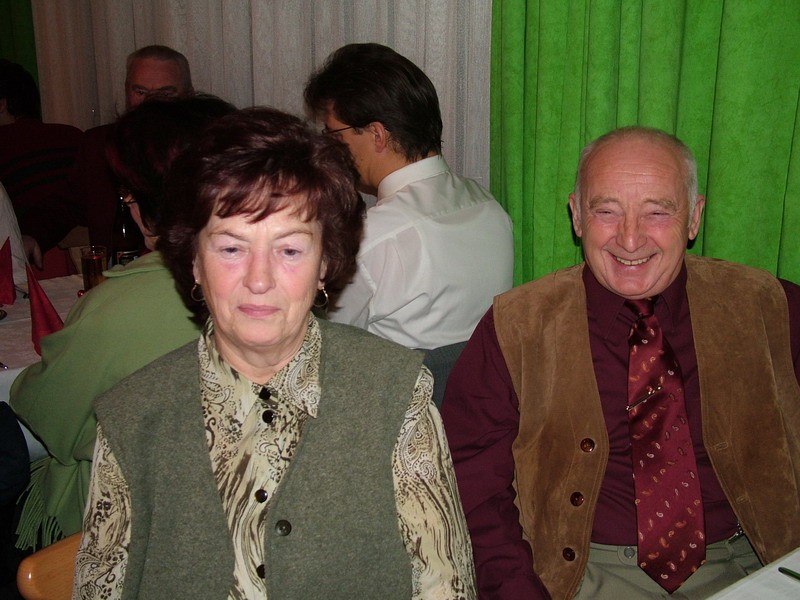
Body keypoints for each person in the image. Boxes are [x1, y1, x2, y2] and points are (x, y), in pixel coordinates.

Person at [73, 108, 477, 599]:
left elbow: (446, 585)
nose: (259, 280)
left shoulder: (395, 393)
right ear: (194, 261)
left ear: (325, 263)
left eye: (289, 250)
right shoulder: (133, 417)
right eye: (231, 249)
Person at [441, 126, 800, 599]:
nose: (630, 239)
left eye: (658, 212)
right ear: (577, 216)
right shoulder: (517, 327)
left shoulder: (769, 308)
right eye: (606, 211)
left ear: (694, 218)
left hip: (754, 562)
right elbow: (470, 483)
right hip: (587, 573)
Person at [9, 95, 235, 550]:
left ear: (156, 200)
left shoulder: (118, 306)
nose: (126, 203)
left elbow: (46, 415)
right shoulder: (285, 285)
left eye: (129, 192)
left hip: (127, 534)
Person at [304, 43, 513, 404]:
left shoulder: (371, 238)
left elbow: (319, 347)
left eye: (333, 135)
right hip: (475, 415)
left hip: (392, 415)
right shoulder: (489, 207)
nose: (328, 148)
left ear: (377, 135)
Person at [19, 45, 194, 266]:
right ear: (126, 91)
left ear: (188, 95)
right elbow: (64, 206)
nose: (150, 103)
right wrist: (30, 234)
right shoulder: (99, 145)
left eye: (165, 94)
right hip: (115, 274)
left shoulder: (204, 149)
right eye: (140, 92)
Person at [0, 59, 83, 277]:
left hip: (24, 262)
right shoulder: (72, 135)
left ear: (2, 105)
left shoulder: (5, 145)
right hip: (84, 260)